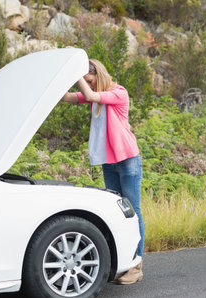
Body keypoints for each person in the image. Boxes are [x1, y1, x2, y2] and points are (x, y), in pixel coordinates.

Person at [61, 59, 144, 285]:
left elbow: (88, 95)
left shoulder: (118, 93)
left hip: (128, 160)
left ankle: (137, 266)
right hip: (109, 162)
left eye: (89, 80)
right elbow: (69, 97)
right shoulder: (96, 95)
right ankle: (123, 262)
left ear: (98, 75)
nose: (87, 84)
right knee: (116, 212)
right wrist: (61, 71)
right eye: (86, 81)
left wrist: (77, 71)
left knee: (132, 210)